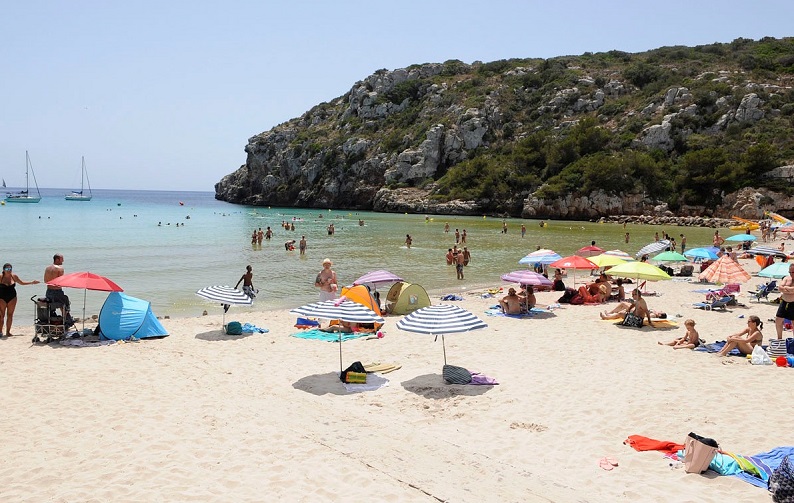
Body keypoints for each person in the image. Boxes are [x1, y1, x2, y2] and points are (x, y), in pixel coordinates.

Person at [0, 263, 40, 336]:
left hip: (12, 297)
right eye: (7, 269)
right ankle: (0, 331)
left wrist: (32, 282)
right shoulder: (0, 277)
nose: (9, 270)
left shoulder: (14, 276)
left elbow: (21, 283)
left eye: (10, 269)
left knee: (10, 315)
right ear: (3, 270)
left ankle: (8, 332)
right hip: (1, 297)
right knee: (1, 315)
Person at [44, 253, 70, 319]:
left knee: (51, 305)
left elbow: (45, 281)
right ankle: (65, 320)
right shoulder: (60, 269)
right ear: (57, 259)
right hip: (57, 291)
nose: (63, 261)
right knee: (65, 304)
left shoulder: (47, 268)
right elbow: (60, 282)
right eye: (62, 259)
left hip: (48, 291)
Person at [775, 263, 794, 339]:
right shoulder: (786, 278)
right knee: (778, 320)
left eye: (793, 272)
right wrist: (790, 290)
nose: (791, 274)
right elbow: (780, 288)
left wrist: (785, 288)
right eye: (790, 272)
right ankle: (779, 338)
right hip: (784, 302)